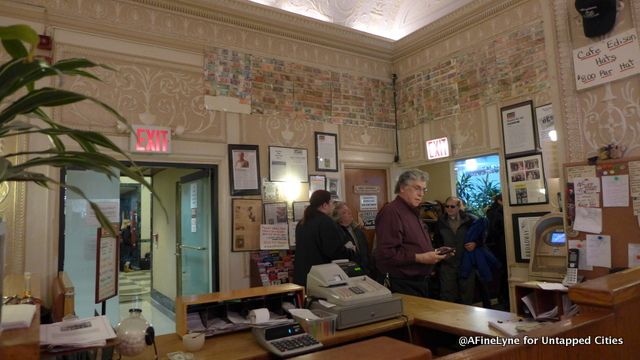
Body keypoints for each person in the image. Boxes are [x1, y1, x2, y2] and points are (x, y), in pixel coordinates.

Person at [373, 169, 447, 297]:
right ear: (402, 188)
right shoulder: (391, 212)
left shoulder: (412, 211)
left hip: (419, 282)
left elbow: (412, 244)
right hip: (402, 283)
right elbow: (386, 253)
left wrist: (434, 253)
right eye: (417, 188)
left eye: (424, 189)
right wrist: (421, 257)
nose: (421, 194)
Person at [293, 190, 355, 287]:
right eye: (330, 202)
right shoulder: (326, 222)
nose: (332, 205)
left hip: (303, 276)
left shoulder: (302, 222)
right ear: (324, 205)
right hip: (321, 277)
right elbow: (334, 251)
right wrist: (351, 252)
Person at [437, 196, 477, 304]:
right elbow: (437, 241)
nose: (449, 209)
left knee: (467, 295)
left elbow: (483, 236)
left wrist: (475, 243)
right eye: (447, 206)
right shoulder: (440, 221)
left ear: (459, 207)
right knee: (447, 294)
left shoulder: (470, 220)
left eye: (452, 206)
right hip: (448, 263)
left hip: (466, 262)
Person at [332, 201, 370, 275]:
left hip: (365, 271)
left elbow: (366, 252)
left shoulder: (358, 230)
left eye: (348, 210)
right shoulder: (337, 233)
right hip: (349, 272)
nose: (349, 213)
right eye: (344, 212)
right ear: (338, 218)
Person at [486, 193, 509, 310]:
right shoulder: (499, 213)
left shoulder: (491, 212)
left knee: (501, 274)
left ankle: (502, 299)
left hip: (496, 247)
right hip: (501, 246)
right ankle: (504, 299)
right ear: (500, 201)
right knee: (504, 273)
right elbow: (496, 230)